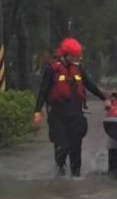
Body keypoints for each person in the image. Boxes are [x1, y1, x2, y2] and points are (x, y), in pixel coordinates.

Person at [33, 37, 110, 177]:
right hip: (58, 115)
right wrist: (37, 111)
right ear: (65, 54)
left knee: (75, 147)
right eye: (73, 56)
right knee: (62, 146)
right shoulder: (52, 69)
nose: (76, 58)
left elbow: (89, 85)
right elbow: (43, 91)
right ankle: (60, 172)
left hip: (76, 114)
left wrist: (104, 98)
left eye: (77, 56)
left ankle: (75, 176)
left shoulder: (78, 68)